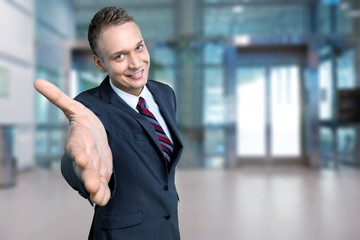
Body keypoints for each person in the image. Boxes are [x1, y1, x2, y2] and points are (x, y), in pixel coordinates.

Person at [34, 6, 183, 240]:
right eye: (119, 56)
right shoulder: (88, 107)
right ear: (100, 63)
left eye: (139, 47)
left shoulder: (165, 94)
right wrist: (78, 169)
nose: (136, 63)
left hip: (168, 228)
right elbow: (82, 146)